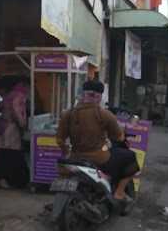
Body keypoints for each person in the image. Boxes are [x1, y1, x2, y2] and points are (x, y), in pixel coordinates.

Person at [56, 80, 140, 212]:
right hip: (99, 158)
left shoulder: (68, 114)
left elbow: (60, 139)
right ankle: (119, 192)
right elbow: (118, 136)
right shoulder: (104, 114)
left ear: (83, 95)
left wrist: (66, 152)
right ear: (98, 96)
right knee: (130, 156)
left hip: (75, 157)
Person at [0, 80, 30, 189]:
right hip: (10, 128)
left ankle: (1, 179)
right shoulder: (19, 96)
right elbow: (17, 112)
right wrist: (23, 124)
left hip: (2, 126)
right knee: (12, 155)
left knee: (2, 154)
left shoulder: (9, 95)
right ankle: (11, 181)